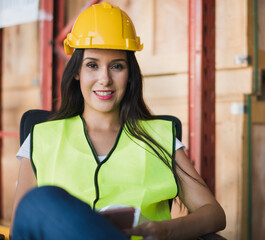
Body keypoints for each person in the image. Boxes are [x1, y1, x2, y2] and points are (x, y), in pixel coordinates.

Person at [11, 2, 226, 239]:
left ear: (130, 74)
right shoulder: (42, 137)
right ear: (76, 72)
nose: (105, 79)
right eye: (92, 65)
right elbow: (23, 222)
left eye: (117, 66)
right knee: (40, 201)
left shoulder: (161, 137)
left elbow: (214, 214)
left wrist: (166, 230)